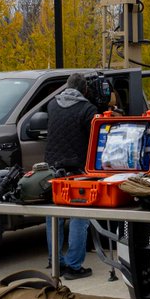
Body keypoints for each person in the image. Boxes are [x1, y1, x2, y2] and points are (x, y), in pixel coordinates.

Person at [44, 72, 107, 279]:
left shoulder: (52, 105)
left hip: (53, 170)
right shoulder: (87, 109)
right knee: (79, 218)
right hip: (78, 171)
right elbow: (99, 137)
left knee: (53, 218)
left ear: (67, 86)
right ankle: (74, 266)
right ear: (85, 90)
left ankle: (56, 263)